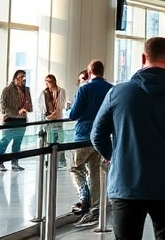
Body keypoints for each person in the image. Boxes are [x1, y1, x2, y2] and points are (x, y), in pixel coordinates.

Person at [91, 37, 165, 240]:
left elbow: (97, 135)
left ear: (143, 57)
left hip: (126, 185)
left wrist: (114, 156)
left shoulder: (118, 93)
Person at [68, 60, 114, 226]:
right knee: (95, 171)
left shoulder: (84, 88)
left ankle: (84, 195)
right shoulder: (111, 89)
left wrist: (68, 108)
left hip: (83, 135)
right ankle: (96, 208)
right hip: (101, 137)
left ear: (89, 72)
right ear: (103, 71)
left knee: (75, 168)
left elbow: (74, 114)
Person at [0, 70, 32, 172]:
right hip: (10, 120)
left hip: (22, 120)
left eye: (24, 77)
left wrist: (27, 109)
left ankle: (15, 163)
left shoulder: (26, 90)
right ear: (15, 77)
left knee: (17, 143)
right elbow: (3, 106)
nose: (23, 79)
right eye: (20, 77)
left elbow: (30, 105)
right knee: (5, 141)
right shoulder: (7, 90)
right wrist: (17, 112)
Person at [39, 74, 68, 168]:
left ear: (54, 81)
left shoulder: (61, 91)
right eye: (46, 81)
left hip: (57, 119)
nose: (48, 83)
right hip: (48, 119)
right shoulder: (44, 92)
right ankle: (49, 160)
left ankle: (61, 160)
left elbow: (61, 106)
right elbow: (41, 106)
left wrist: (55, 115)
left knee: (59, 139)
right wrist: (48, 116)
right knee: (49, 140)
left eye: (50, 81)